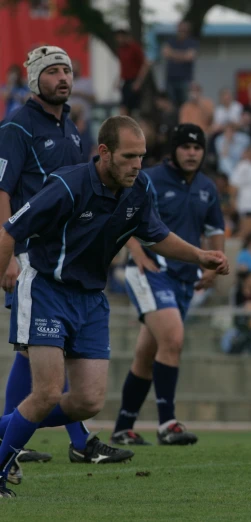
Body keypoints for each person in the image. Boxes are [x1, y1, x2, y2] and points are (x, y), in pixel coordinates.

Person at [0, 116, 229, 498]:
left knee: (87, 401)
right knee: (47, 392)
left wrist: (198, 255)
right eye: (129, 156)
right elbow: (10, 229)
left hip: (91, 299)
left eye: (141, 156)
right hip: (46, 290)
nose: (138, 164)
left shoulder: (138, 189)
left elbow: (156, 235)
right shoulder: (68, 185)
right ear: (104, 152)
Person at [0, 46, 114, 471]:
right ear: (34, 80)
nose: (63, 78)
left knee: (37, 353)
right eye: (52, 71)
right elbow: (2, 189)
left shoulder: (72, 129)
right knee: (41, 354)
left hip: (62, 256)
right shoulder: (16, 125)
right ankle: (69, 442)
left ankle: (23, 447)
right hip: (29, 253)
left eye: (67, 70)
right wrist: (8, 252)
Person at [111, 124, 225, 446]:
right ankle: (167, 424)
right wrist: (136, 252)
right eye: (186, 147)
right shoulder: (148, 178)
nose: (192, 153)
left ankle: (123, 427)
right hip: (151, 271)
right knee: (173, 339)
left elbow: (216, 228)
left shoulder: (207, 187)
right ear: (174, 150)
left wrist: (216, 264)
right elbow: (124, 217)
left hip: (185, 278)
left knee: (148, 354)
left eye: (198, 148)